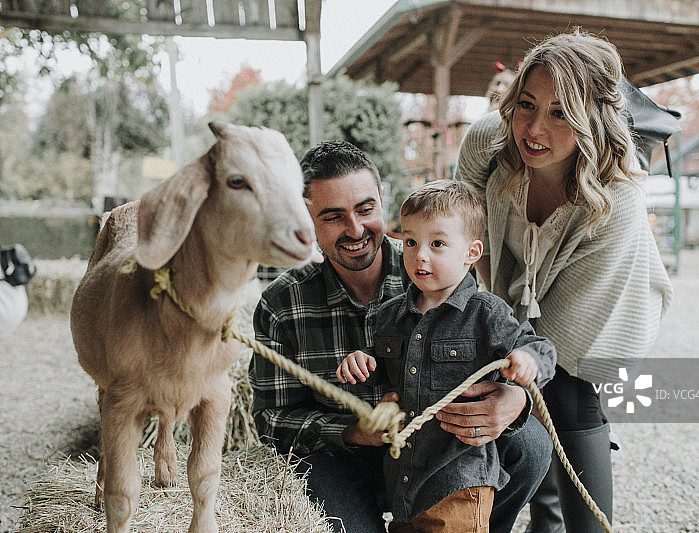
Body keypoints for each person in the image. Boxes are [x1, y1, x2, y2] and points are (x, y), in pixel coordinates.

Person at [249, 141, 554, 533]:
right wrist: (354, 432)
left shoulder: (437, 262)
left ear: (381, 202)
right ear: (307, 219)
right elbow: (272, 419)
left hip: (437, 445)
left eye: (365, 209)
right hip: (348, 457)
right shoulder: (282, 303)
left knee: (531, 443)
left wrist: (516, 396)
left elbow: (509, 344)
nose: (356, 229)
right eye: (333, 217)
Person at [455, 30, 673, 532]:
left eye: (560, 113)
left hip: (599, 307)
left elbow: (558, 338)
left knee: (570, 394)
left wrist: (518, 387)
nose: (533, 128)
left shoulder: (616, 200)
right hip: (509, 285)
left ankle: (578, 524)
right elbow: (463, 236)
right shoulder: (489, 141)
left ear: (592, 118)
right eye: (527, 104)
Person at [336, 180, 556, 532]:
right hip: (405, 480)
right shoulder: (390, 315)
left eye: (437, 244)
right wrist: (362, 361)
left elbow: (540, 347)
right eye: (411, 242)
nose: (420, 254)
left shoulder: (486, 313)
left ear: (471, 253)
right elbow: (383, 369)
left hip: (460, 477)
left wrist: (527, 360)